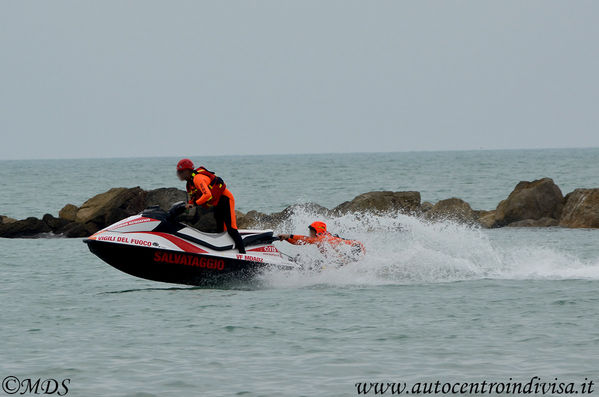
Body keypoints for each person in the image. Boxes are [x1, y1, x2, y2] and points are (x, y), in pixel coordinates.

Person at [176, 158, 246, 254]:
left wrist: (195, 204)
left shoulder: (197, 179)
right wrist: (186, 208)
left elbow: (207, 195)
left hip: (225, 199)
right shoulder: (189, 184)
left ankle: (243, 254)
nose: (179, 174)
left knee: (231, 229)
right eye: (178, 172)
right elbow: (193, 199)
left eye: (181, 171)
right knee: (220, 230)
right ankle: (228, 252)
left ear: (188, 171)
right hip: (217, 203)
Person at [278, 221, 365, 261]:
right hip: (354, 248)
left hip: (356, 247)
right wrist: (286, 238)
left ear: (316, 231)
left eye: (311, 231)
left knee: (341, 263)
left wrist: (289, 235)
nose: (309, 233)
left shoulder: (323, 238)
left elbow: (305, 239)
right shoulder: (320, 239)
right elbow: (299, 242)